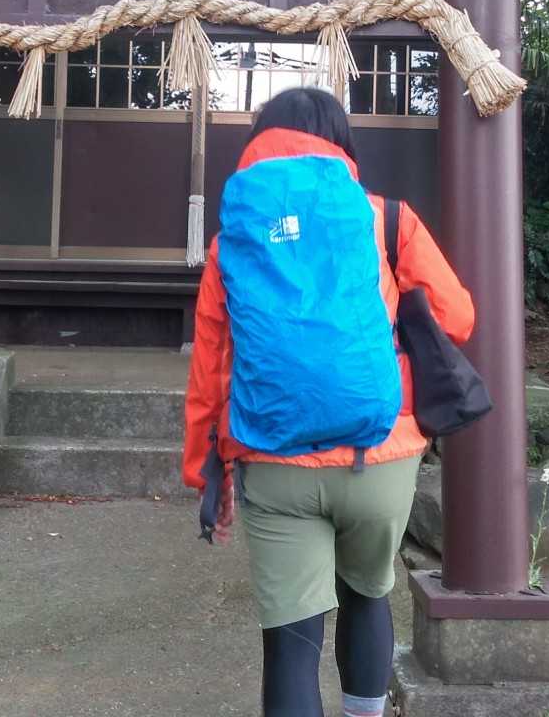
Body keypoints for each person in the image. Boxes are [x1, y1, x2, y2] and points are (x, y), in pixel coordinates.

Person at [183, 87, 475, 717]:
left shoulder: (234, 238)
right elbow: (458, 317)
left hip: (272, 458)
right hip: (380, 452)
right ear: (341, 142)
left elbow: (210, 366)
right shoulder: (387, 220)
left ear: (260, 141)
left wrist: (206, 474)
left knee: (290, 637)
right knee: (367, 596)